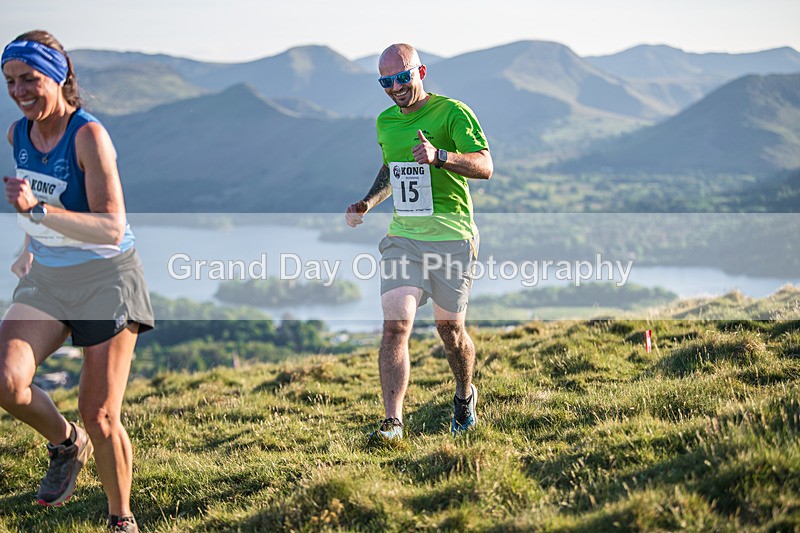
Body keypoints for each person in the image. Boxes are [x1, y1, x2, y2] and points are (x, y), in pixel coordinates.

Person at [0, 31, 153, 533]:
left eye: (29, 79)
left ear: (60, 77)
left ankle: (120, 519)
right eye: (10, 81)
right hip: (47, 277)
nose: (19, 91)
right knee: (5, 380)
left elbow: (110, 225)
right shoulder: (17, 135)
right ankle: (66, 444)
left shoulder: (88, 135)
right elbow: (38, 205)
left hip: (108, 279)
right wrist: (29, 243)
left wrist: (38, 211)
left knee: (101, 414)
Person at [346, 43, 492, 440]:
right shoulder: (385, 122)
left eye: (402, 77)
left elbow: (485, 164)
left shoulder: (452, 112)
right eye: (385, 81)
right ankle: (393, 422)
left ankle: (463, 396)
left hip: (452, 238)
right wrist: (367, 202)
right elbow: (392, 169)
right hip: (404, 239)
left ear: (420, 72)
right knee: (396, 326)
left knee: (451, 333)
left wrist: (439, 155)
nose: (395, 87)